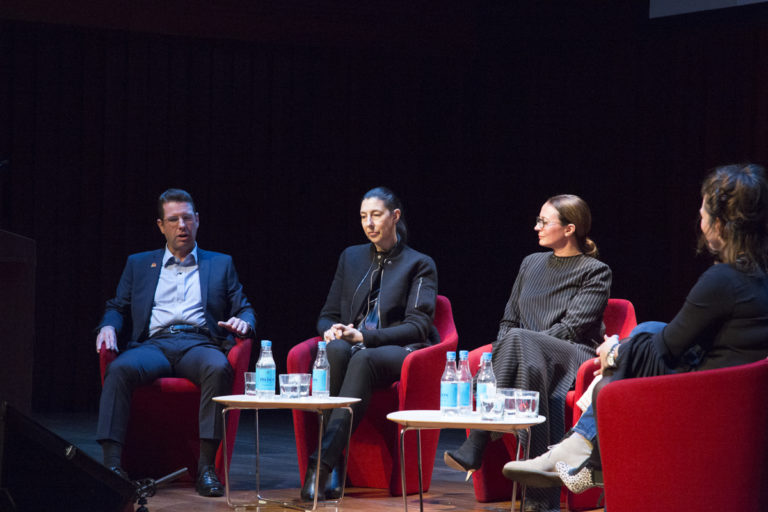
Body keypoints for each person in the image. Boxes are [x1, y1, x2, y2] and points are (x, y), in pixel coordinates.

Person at [505, 164, 768, 494]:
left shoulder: (724, 280)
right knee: (648, 330)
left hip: (708, 398)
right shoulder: (756, 278)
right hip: (736, 395)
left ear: (719, 223)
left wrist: (616, 351)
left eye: (703, 213)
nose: (700, 222)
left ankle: (583, 454)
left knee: (617, 373)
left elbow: (668, 348)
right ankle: (584, 457)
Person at [443, 194, 612, 512]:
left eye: (544, 221)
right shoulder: (530, 263)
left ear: (569, 229)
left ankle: (478, 440)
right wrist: (509, 352)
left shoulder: (596, 271)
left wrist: (520, 346)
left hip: (572, 356)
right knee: (522, 352)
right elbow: (509, 320)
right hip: (529, 358)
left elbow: (571, 329)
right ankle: (538, 502)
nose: (537, 227)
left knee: (522, 342)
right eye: (538, 220)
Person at [95, 188, 256, 497]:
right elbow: (117, 306)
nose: (181, 226)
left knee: (218, 368)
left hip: (198, 344)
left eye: (187, 218)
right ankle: (111, 468)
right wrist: (108, 325)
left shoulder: (220, 263)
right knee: (119, 370)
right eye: (173, 220)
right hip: (153, 345)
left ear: (197, 220)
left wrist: (244, 322)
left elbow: (244, 307)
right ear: (161, 225)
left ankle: (206, 469)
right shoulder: (139, 263)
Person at [300, 186, 439, 501]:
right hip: (352, 345)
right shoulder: (350, 257)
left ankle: (320, 464)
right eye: (364, 216)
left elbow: (418, 327)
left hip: (399, 350)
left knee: (363, 358)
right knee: (336, 349)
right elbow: (327, 314)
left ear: (395, 216)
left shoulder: (419, 263)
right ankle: (334, 462)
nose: (369, 223)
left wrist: (365, 337)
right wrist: (330, 331)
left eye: (376, 215)